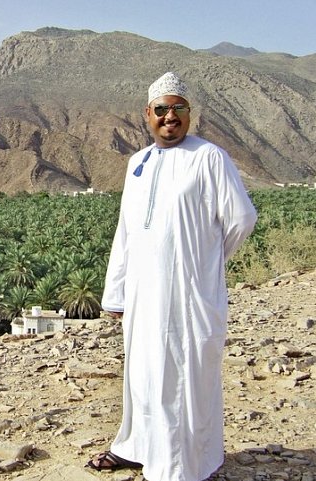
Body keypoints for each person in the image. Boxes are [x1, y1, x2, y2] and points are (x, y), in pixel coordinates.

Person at [87, 72, 258, 480]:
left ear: (188, 114)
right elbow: (126, 231)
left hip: (188, 295)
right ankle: (136, 447)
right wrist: (117, 294)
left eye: (177, 108)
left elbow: (240, 219)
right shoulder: (137, 163)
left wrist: (204, 263)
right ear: (147, 115)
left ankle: (179, 466)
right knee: (143, 375)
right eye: (161, 110)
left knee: (182, 379)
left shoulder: (209, 157)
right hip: (145, 297)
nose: (169, 117)